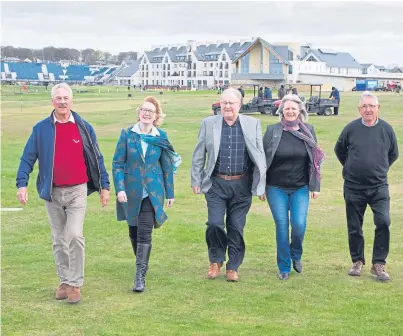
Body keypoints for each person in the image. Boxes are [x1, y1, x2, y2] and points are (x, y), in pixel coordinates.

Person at [16, 82, 110, 304]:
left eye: (65, 98)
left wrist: (105, 186)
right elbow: (28, 157)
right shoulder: (41, 129)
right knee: (59, 239)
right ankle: (65, 281)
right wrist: (22, 184)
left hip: (78, 190)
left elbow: (98, 158)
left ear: (71, 100)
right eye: (58, 98)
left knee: (75, 235)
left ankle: (76, 284)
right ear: (52, 101)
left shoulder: (84, 127)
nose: (62, 102)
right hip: (52, 192)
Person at [191, 87, 266, 282]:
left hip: (242, 185)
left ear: (240, 105)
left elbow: (260, 156)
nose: (227, 107)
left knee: (236, 227)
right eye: (224, 103)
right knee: (215, 223)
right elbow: (199, 154)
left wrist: (261, 184)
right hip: (216, 184)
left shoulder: (253, 124)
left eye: (231, 103)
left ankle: (233, 266)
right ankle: (215, 261)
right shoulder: (208, 124)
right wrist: (196, 179)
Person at [112, 96, 181, 293]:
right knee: (133, 231)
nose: (146, 113)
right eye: (144, 109)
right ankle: (141, 261)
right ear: (139, 112)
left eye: (150, 111)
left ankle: (139, 276)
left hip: (153, 191)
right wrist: (120, 188)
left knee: (144, 231)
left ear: (156, 116)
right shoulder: (127, 135)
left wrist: (170, 192)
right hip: (131, 191)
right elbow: (117, 164)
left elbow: (167, 166)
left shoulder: (161, 137)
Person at [334, 91, 399, 282]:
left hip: (379, 187)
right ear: (359, 109)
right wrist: (352, 167)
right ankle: (357, 261)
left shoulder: (386, 129)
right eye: (364, 106)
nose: (368, 109)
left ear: (378, 108)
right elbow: (340, 150)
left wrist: (379, 168)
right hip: (354, 187)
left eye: (372, 106)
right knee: (354, 226)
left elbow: (393, 153)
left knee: (384, 222)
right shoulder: (351, 129)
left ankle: (379, 263)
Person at [262, 94, 324, 280]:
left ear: (300, 111)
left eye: (293, 108)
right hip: (275, 187)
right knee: (282, 225)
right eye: (286, 108)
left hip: (300, 187)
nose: (290, 111)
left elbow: (314, 161)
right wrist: (260, 187)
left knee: (298, 224)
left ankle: (296, 254)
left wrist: (315, 186)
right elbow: (262, 159)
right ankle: (284, 266)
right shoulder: (272, 131)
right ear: (281, 111)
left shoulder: (308, 130)